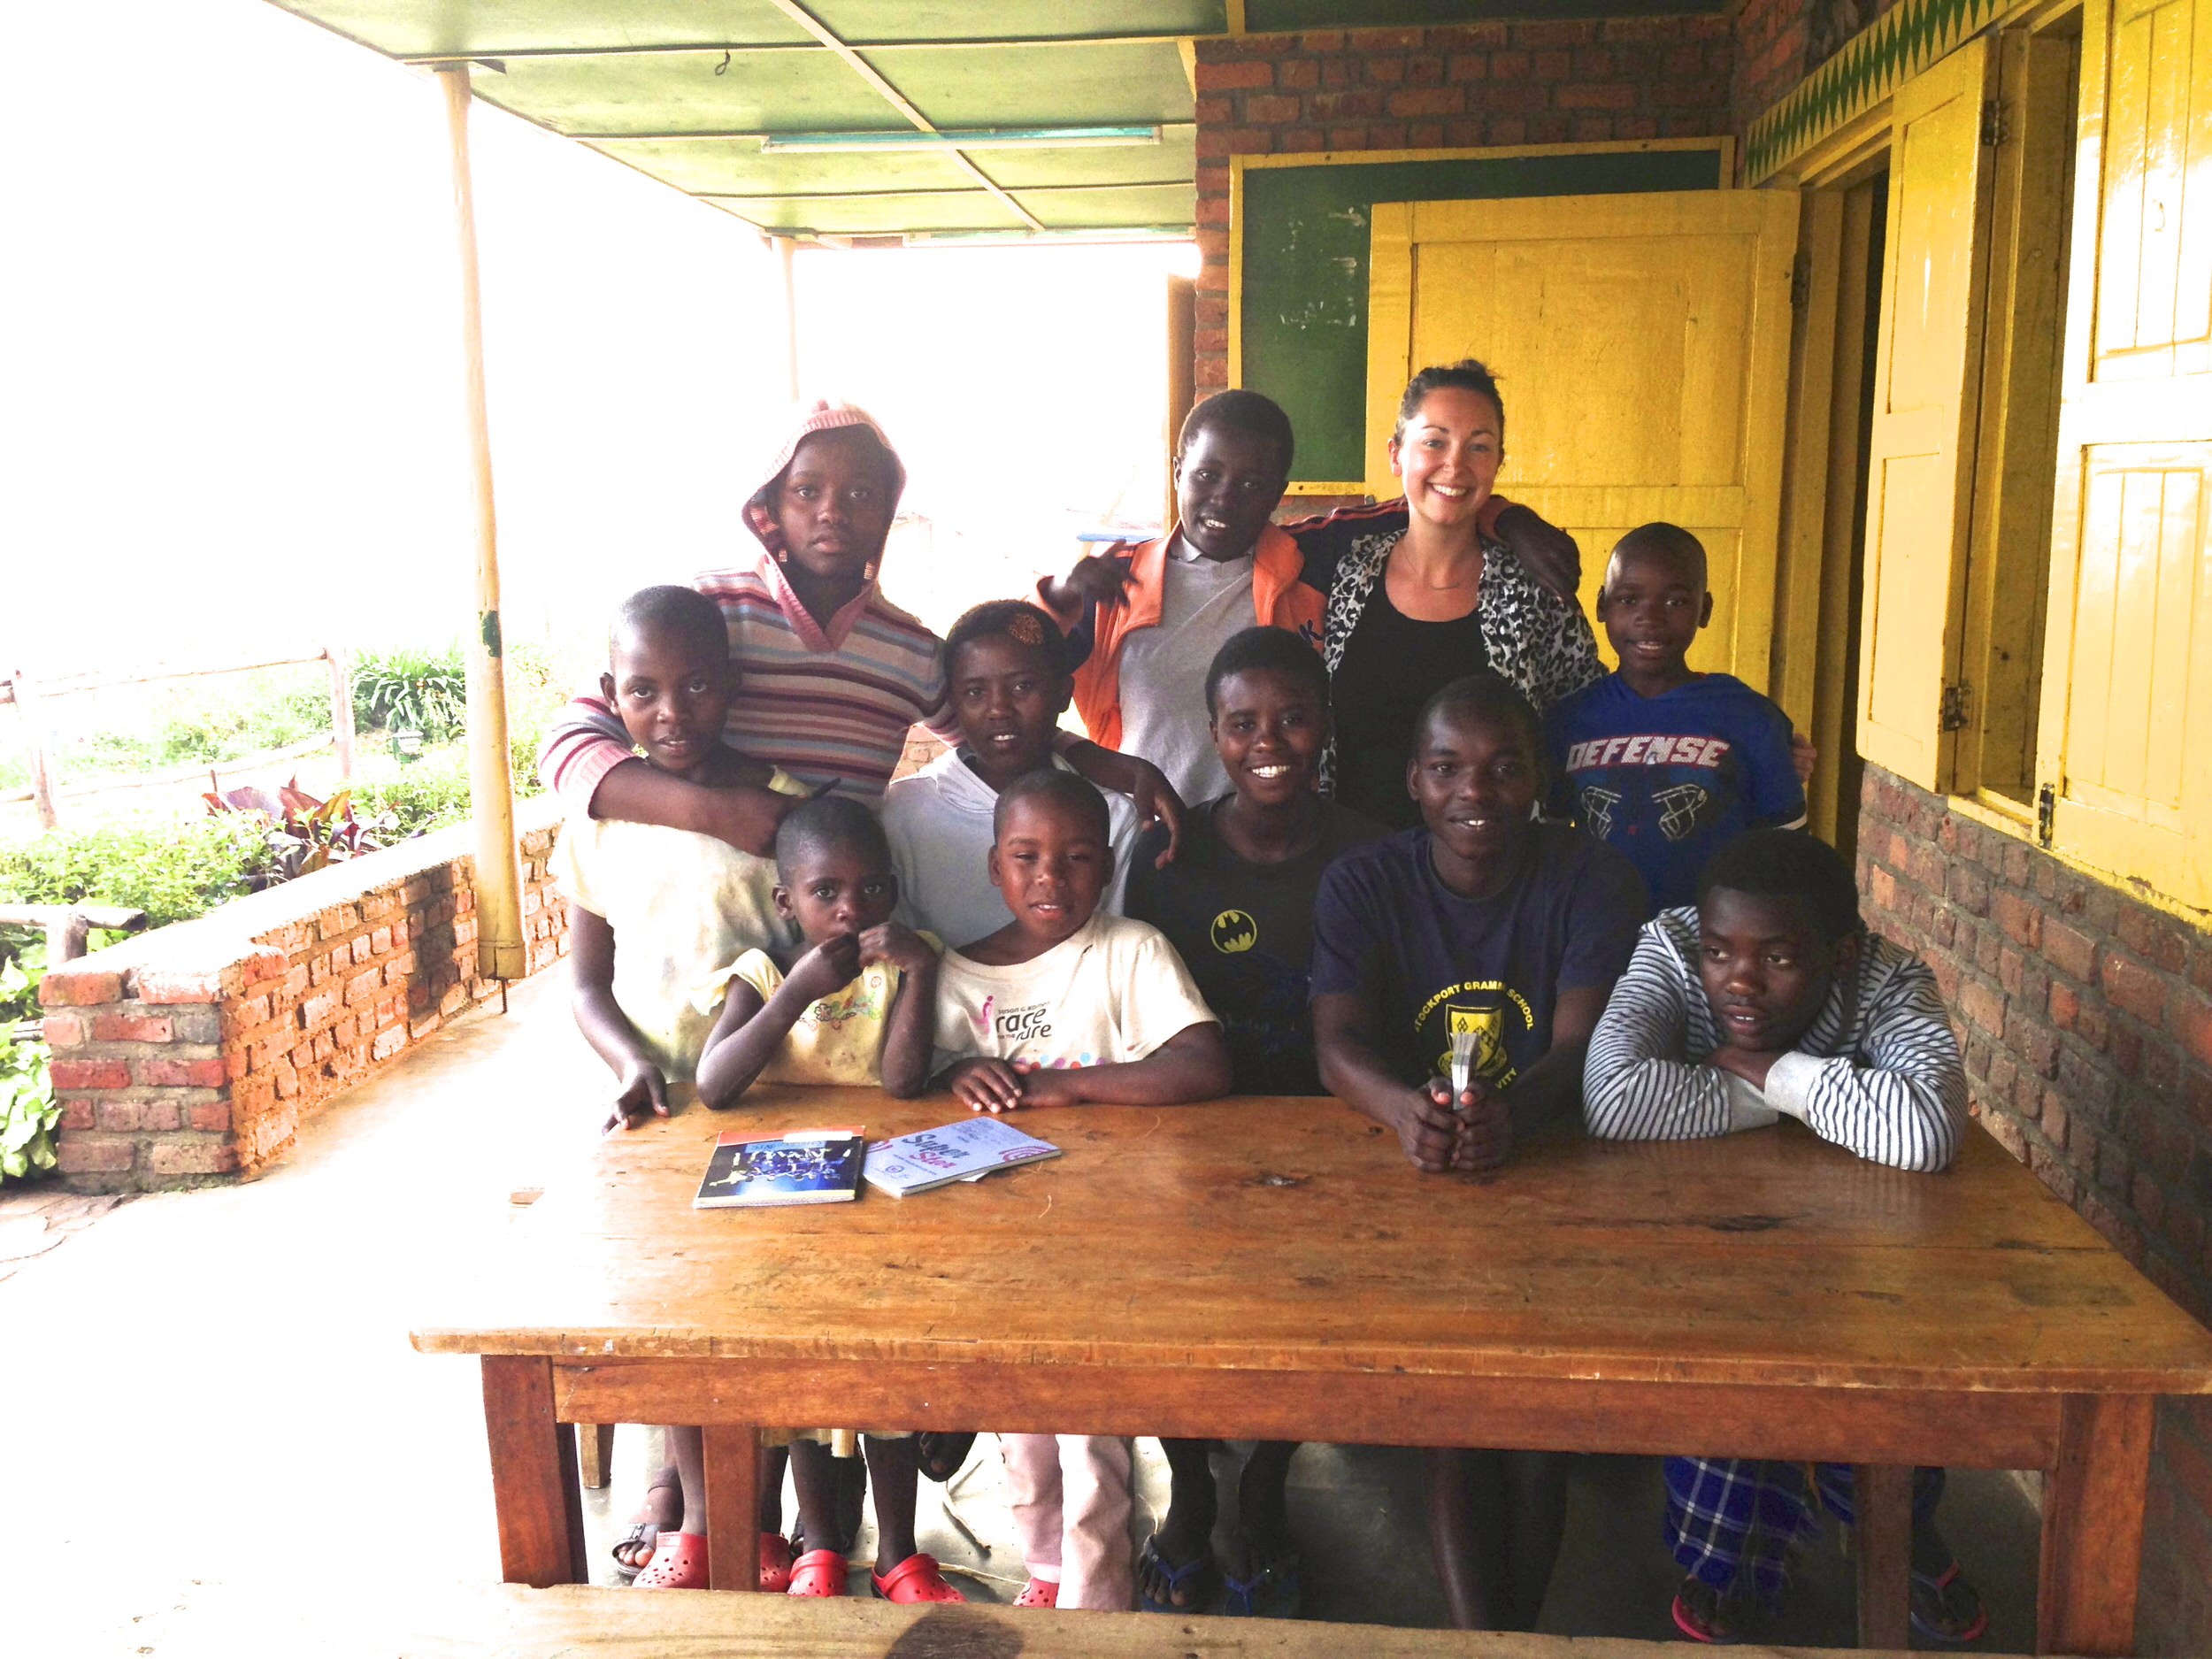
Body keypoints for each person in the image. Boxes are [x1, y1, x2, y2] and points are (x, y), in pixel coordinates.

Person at [1581, 829, 1980, 1643]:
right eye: (1720, 951)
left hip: (1864, 1238)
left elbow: (1931, 1129)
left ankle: (1898, 1527)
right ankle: (1730, 1556)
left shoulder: (1887, 977)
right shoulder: (1668, 946)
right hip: (1705, 1238)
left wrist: (1769, 1073)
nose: (1740, 982)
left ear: (1840, 954)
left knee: (1880, 1357)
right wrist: (1834, 1107)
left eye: (1779, 959)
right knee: (1719, 1354)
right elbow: (1614, 1099)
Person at [1310, 673, 1644, 1631]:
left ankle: (1510, 1640)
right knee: (1453, 1415)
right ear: (1413, 779)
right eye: (1448, 768)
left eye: (1503, 769)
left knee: (1535, 1427)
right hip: (1406, 1184)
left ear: (1538, 777)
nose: (1475, 793)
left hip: (1554, 1177)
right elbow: (1335, 1043)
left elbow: (1583, 1050)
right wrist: (1403, 1111)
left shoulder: (1589, 877)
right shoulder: (1365, 881)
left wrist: (1515, 1115)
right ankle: (1484, 1642)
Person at [536, 399, 1181, 855]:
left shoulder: (908, 651)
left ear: (888, 510)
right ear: (769, 507)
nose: (832, 514)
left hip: (839, 928)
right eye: (807, 491)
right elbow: (565, 745)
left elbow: (1003, 734)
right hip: (705, 904)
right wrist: (714, 811)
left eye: (859, 495)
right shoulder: (709, 614)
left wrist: (1108, 765)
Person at [627, 796, 960, 1601]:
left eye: (874, 890)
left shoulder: (908, 963)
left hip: (874, 1205)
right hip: (771, 1209)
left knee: (881, 1386)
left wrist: (919, 971)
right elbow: (715, 1084)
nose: (854, 911)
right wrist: (797, 992)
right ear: (786, 901)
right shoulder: (764, 972)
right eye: (828, 893)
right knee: (783, 1392)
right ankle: (787, 1542)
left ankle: (899, 1553)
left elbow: (904, 1080)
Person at [1121, 625, 1386, 1617]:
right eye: (1243, 723)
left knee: (1308, 1327)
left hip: (1334, 1138)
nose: (1268, 740)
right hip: (1197, 1135)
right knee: (1173, 1325)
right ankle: (1189, 1489)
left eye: (1291, 718)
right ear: (1213, 734)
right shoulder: (1169, 854)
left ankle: (1268, 1485)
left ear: (1325, 726)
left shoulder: (1373, 850)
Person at [548, 585, 807, 1586]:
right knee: (672, 1312)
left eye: (696, 686)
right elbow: (582, 983)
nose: (672, 713)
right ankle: (701, 1525)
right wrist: (629, 1064)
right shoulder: (598, 823)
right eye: (645, 692)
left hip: (769, 1103)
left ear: (731, 685)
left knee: (765, 1314)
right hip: (657, 1113)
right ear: (611, 697)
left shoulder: (778, 811)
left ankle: (761, 1519)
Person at [930, 768, 1232, 1612]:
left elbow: (1202, 1063)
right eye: (1026, 857)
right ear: (995, 866)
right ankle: (1049, 1570)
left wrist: (1070, 1086)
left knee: (1091, 1435)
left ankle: (1098, 1604)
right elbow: (909, 1094)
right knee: (1020, 1428)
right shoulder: (959, 977)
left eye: (1076, 858)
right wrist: (958, 1067)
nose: (1050, 879)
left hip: (1112, 1247)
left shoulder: (1130, 952)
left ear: (1106, 867)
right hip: (1002, 1255)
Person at [1042, 386, 1581, 809]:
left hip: (1280, 840)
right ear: (1178, 471)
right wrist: (1063, 600)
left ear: (1280, 494)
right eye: (1206, 475)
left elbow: (1432, 500)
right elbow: (1011, 680)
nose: (1225, 499)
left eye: (1253, 485)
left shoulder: (1310, 556)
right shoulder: (1114, 581)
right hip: (1147, 835)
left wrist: (1510, 520)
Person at [1282, 360, 1604, 828]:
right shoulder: (1347, 570)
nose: (1455, 464)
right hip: (1358, 872)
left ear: (1498, 463)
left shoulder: (1535, 589)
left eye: (1479, 447)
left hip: (1494, 877)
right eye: (1434, 442)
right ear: (1396, 455)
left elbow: (1584, 718)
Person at [1546, 524, 1806, 912]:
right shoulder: (1568, 720)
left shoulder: (1748, 717)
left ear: (1706, 610)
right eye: (1629, 599)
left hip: (1712, 946)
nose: (1650, 618)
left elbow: (1786, 856)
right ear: (1601, 605)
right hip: (1598, 938)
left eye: (1676, 602)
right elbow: (1548, 845)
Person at [882, 600, 1141, 946]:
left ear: (1063, 694)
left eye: (1022, 687)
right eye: (975, 692)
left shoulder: (1111, 815)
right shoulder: (906, 811)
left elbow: (1115, 948)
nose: (999, 709)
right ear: (953, 701)